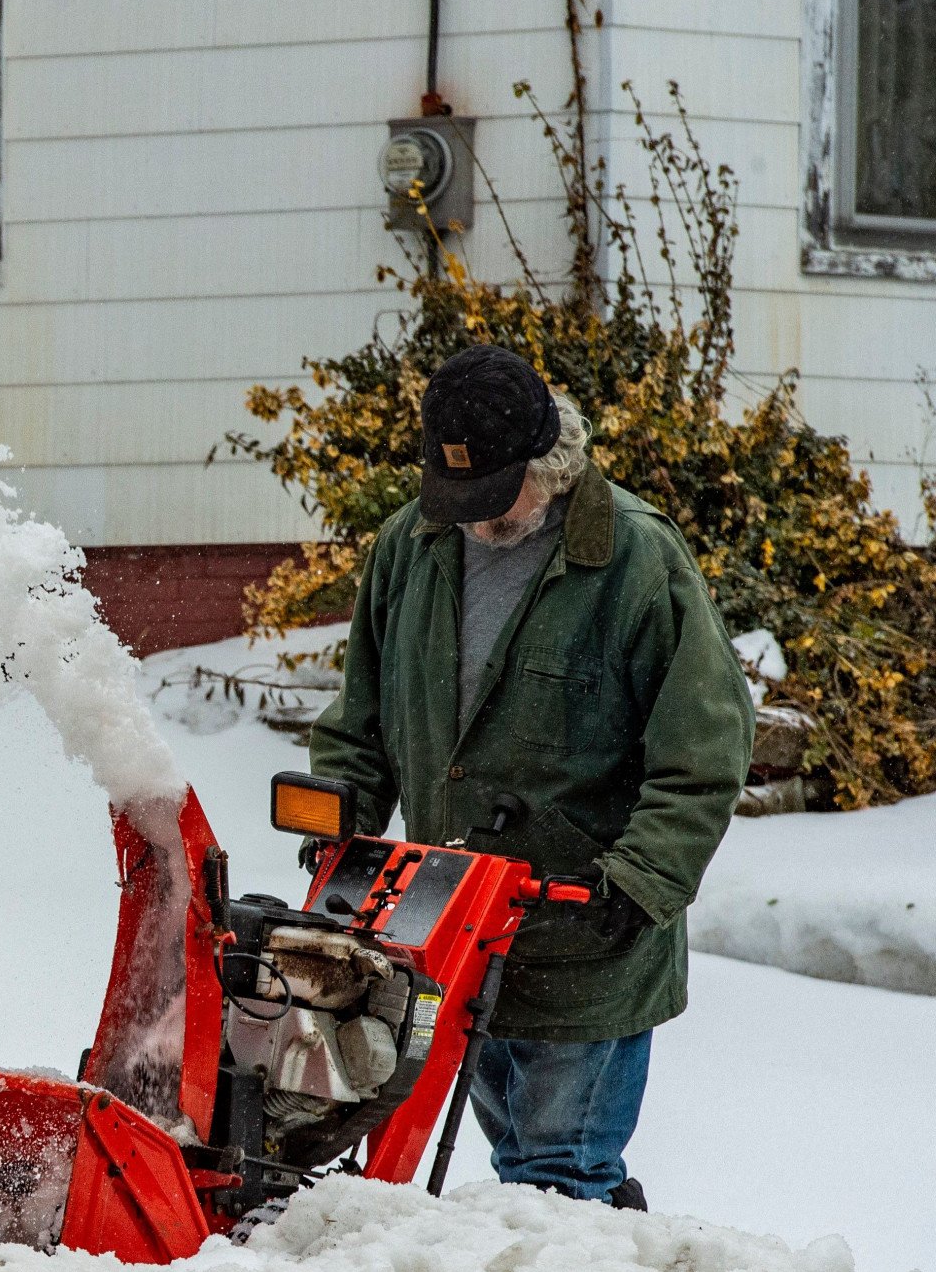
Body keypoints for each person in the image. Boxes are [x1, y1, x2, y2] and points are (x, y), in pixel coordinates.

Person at [308, 344, 753, 1209]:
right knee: (521, 1177)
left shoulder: (632, 559)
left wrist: (644, 878)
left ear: (548, 464)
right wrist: (342, 815)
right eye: (455, 497)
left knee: (558, 1180)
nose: (471, 519)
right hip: (447, 928)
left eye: (488, 498)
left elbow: (705, 748)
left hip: (584, 935)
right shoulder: (413, 544)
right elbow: (361, 714)